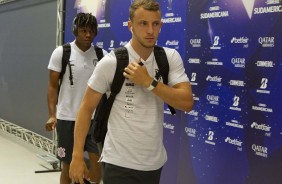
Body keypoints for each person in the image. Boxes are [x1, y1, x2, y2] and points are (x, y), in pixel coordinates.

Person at [69, 0, 194, 184]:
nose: (150, 30)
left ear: (161, 25)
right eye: (143, 23)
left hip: (153, 163)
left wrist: (149, 82)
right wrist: (77, 156)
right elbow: (86, 109)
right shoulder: (112, 62)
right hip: (118, 163)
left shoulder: (169, 58)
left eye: (155, 24)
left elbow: (187, 103)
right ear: (130, 26)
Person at [45, 13, 106, 184]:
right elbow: (52, 87)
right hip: (67, 119)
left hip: (94, 120)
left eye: (91, 31)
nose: (88, 35)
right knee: (68, 166)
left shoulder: (102, 55)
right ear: (75, 31)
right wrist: (52, 114)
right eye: (83, 31)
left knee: (97, 165)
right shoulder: (61, 53)